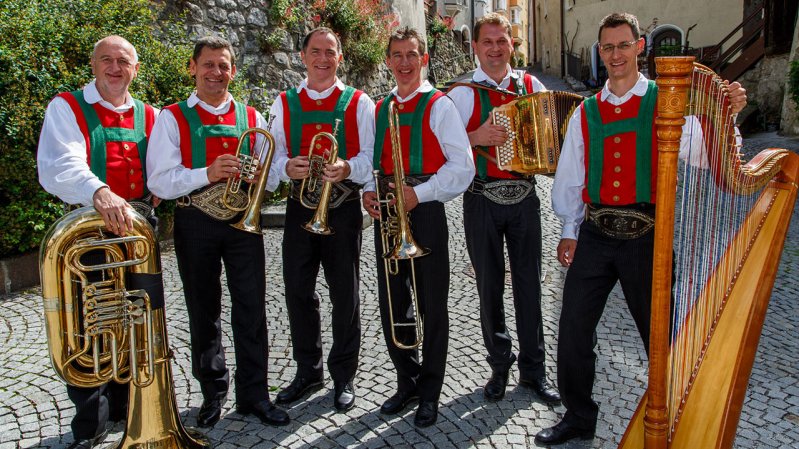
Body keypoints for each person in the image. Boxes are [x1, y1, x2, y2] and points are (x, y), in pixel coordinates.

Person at [536, 12, 748, 445]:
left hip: (648, 235)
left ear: (640, 48)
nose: (616, 54)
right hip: (595, 233)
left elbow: (715, 157)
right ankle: (579, 417)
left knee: (660, 339)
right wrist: (570, 230)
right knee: (573, 327)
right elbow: (572, 177)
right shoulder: (586, 112)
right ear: (601, 53)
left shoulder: (663, 101)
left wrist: (726, 116)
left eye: (623, 45)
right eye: (608, 47)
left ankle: (671, 415)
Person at [146, 36, 289, 429]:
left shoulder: (253, 117)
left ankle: (254, 395)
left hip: (243, 222)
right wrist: (207, 173)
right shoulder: (171, 117)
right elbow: (159, 180)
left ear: (233, 71)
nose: (216, 72)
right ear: (193, 68)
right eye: (208, 64)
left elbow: (273, 176)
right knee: (203, 309)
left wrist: (265, 174)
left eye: (223, 65)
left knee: (252, 307)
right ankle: (213, 392)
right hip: (196, 222)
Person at [37, 35, 159, 448]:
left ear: (135, 69)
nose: (114, 67)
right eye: (106, 60)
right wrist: (99, 190)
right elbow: (60, 163)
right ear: (93, 65)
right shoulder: (67, 107)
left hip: (138, 230)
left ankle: (132, 409)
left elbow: (162, 164)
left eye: (123, 61)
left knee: (136, 317)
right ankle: (91, 423)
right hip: (89, 233)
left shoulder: (151, 114)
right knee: (91, 323)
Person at [361, 27, 474, 428]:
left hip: (423, 211)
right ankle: (406, 380)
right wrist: (366, 192)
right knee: (393, 303)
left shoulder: (440, 106)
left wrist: (420, 194)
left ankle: (430, 392)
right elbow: (368, 161)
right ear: (388, 61)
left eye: (412, 55)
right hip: (388, 211)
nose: (404, 63)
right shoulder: (379, 108)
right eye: (397, 55)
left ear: (423, 59)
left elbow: (463, 168)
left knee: (432, 306)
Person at [446, 12, 560, 405]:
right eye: (488, 42)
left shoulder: (531, 86)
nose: (495, 49)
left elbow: (554, 133)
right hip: (480, 198)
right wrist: (473, 136)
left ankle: (534, 371)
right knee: (489, 288)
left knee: (529, 287)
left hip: (525, 197)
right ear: (476, 47)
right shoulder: (460, 94)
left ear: (513, 45)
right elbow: (437, 145)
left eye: (502, 41)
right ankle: (498, 366)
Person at [268, 27, 375, 412]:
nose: (323, 59)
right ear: (303, 56)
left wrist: (347, 166)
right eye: (316, 51)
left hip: (343, 208)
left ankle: (343, 374)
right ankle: (307, 371)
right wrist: (286, 167)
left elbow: (370, 159)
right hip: (300, 208)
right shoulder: (284, 102)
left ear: (340, 58)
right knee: (298, 290)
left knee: (344, 293)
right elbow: (273, 155)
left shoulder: (358, 102)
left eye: (330, 52)